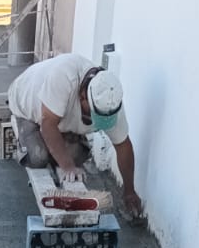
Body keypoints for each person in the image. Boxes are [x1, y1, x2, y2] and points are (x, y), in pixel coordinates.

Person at [8, 52, 143, 219]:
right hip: (26, 105)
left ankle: (57, 147)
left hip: (57, 118)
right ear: (83, 96)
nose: (93, 120)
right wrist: (67, 167)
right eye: (93, 114)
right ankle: (27, 145)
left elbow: (123, 146)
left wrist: (129, 191)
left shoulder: (111, 102)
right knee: (38, 156)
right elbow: (48, 125)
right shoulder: (64, 77)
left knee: (77, 156)